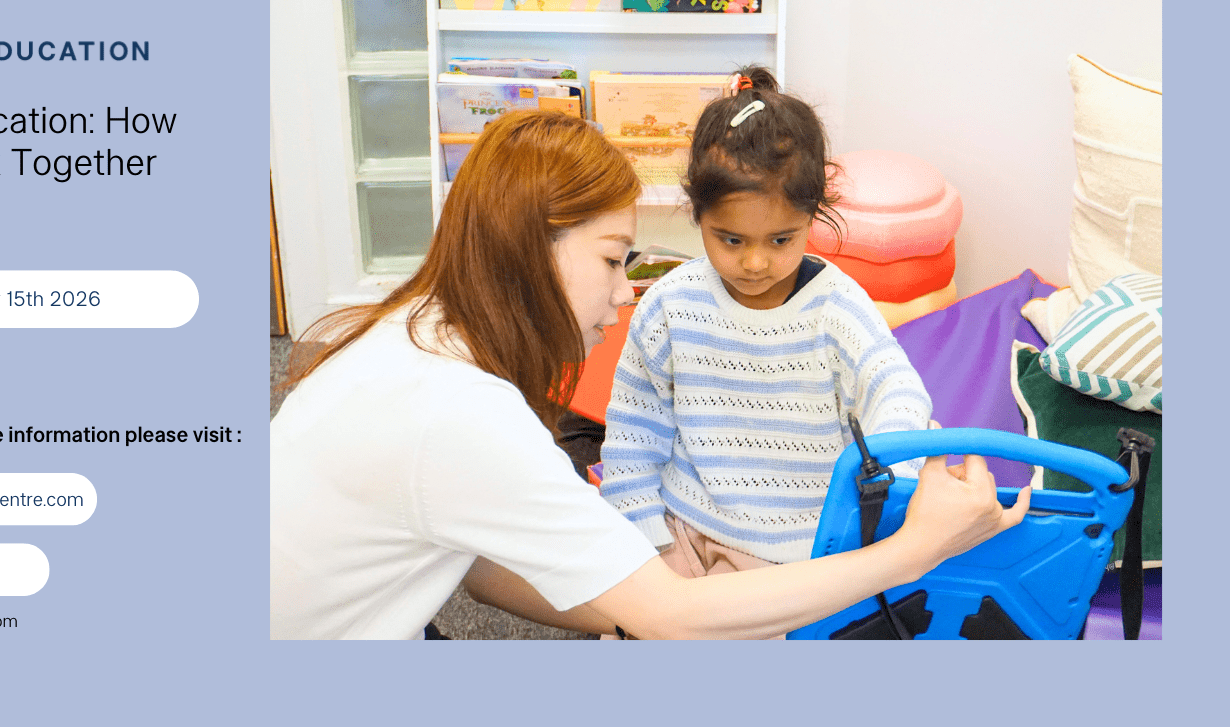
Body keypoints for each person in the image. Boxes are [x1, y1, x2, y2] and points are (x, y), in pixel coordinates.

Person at [270, 107, 1027, 640]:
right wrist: (920, 547)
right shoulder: (460, 411)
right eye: (610, 258)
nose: (625, 290)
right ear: (529, 245)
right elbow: (667, 599)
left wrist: (641, 605)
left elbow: (478, 567)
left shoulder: (418, 331)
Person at [600, 66, 934, 600]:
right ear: (697, 214)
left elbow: (896, 389)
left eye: (781, 240)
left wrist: (889, 479)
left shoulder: (836, 307)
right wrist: (643, 540)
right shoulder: (668, 304)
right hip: (682, 533)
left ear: (812, 218)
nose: (755, 262)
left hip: (798, 551)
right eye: (730, 239)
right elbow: (634, 435)